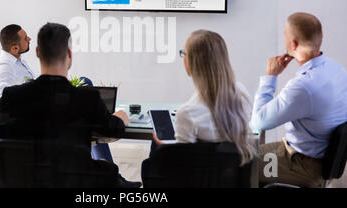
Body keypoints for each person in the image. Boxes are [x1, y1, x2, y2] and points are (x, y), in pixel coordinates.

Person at [0, 22, 141, 188]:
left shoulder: (10, 97)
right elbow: (113, 130)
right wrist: (120, 118)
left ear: (38, 52)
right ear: (69, 54)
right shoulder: (87, 99)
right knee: (107, 171)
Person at [250, 12, 347, 188]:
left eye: (285, 35)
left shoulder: (303, 87)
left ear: (293, 43)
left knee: (240, 163)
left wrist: (270, 76)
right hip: (314, 157)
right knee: (246, 153)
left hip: (302, 165)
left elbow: (258, 121)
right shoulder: (337, 69)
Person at [144, 30, 255, 167]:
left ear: (192, 61)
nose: (183, 57)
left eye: (183, 53)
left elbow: (182, 162)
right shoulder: (241, 92)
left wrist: (165, 147)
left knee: (152, 155)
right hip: (234, 177)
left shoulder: (187, 112)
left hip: (198, 178)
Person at [0, 24, 35, 102]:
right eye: (25, 39)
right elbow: (2, 97)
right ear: (15, 48)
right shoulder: (3, 66)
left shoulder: (20, 62)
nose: (29, 39)